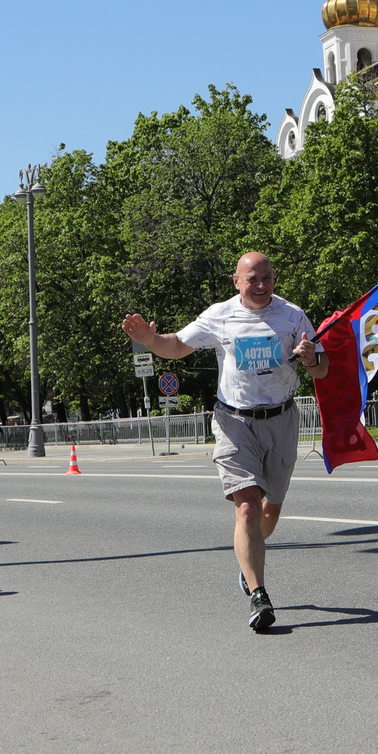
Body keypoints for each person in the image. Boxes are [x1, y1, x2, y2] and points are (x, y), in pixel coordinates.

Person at [123, 251, 323, 633]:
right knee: (247, 509)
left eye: (267, 278)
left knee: (269, 514)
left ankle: (247, 562)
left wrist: (313, 360)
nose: (261, 286)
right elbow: (176, 345)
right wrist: (150, 340)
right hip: (234, 422)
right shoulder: (220, 315)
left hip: (281, 420)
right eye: (253, 279)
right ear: (237, 281)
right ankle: (259, 594)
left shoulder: (293, 316)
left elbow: (323, 369)